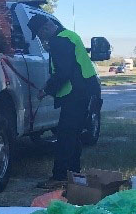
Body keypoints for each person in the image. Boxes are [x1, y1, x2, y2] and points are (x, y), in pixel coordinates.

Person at [27, 14, 97, 188]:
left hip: (75, 94)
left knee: (65, 136)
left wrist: (46, 90)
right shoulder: (69, 36)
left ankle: (59, 177)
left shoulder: (59, 42)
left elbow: (63, 73)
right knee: (72, 136)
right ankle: (73, 175)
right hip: (84, 92)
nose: (41, 39)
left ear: (45, 28)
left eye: (39, 35)